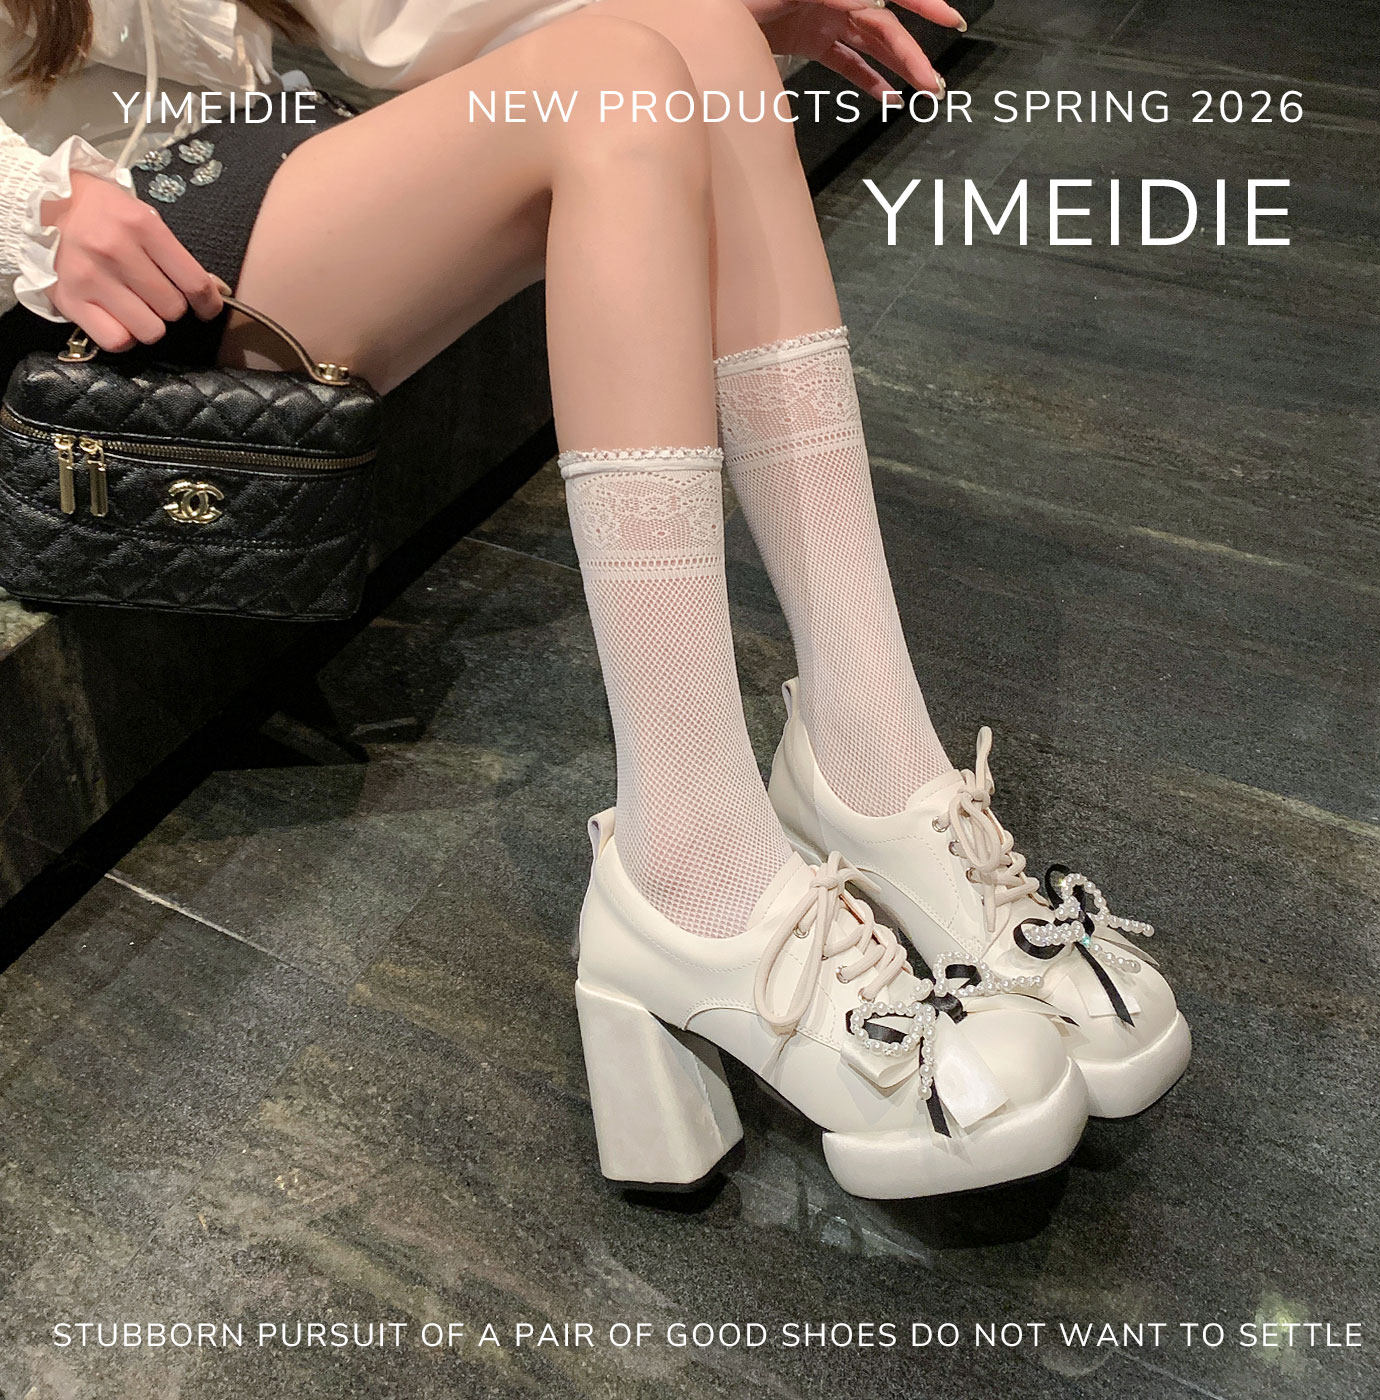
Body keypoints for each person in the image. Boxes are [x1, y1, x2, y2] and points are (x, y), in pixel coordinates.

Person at [0, 0, 1188, 1199]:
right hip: (70, 270)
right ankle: (693, 864)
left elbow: (380, 24)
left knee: (703, 36)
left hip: (239, 168)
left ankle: (870, 755)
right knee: (608, 84)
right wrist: (34, 208)